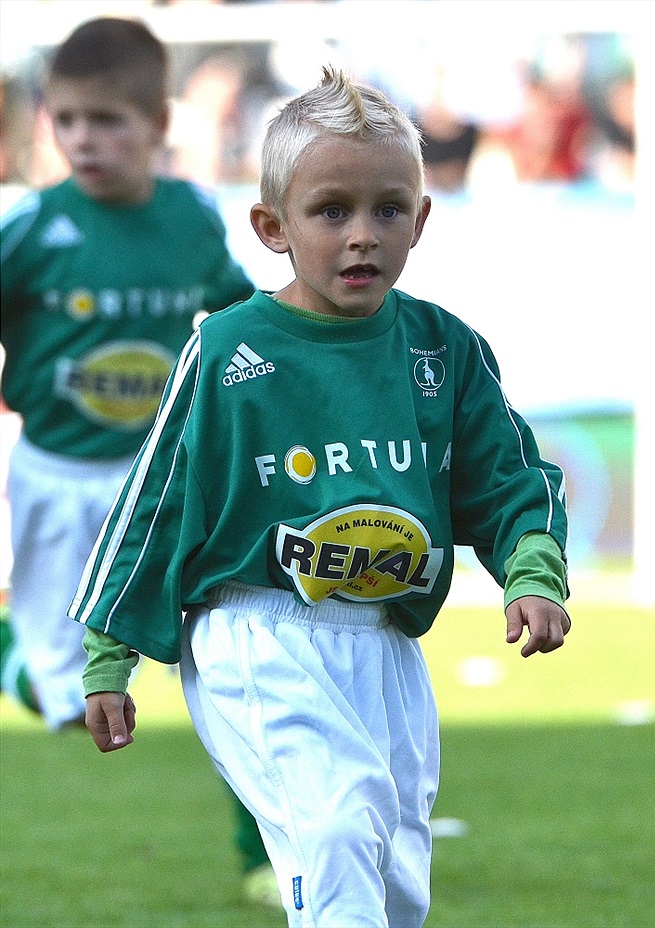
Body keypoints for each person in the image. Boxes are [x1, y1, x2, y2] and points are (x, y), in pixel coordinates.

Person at [72, 66, 571, 928]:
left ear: (420, 217)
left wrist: (532, 572)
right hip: (257, 633)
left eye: (387, 210)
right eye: (331, 210)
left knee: (394, 878)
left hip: (384, 643)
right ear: (273, 226)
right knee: (333, 833)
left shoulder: (444, 349)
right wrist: (111, 650)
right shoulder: (229, 350)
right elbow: (156, 500)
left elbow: (508, 479)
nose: (362, 236)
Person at [0, 15, 277, 907]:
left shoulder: (193, 219)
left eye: (108, 120)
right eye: (69, 119)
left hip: (165, 492)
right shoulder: (32, 229)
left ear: (159, 124)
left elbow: (239, 325)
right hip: (57, 486)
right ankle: (18, 655)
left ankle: (266, 858)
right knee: (67, 706)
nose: (85, 139)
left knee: (236, 671)